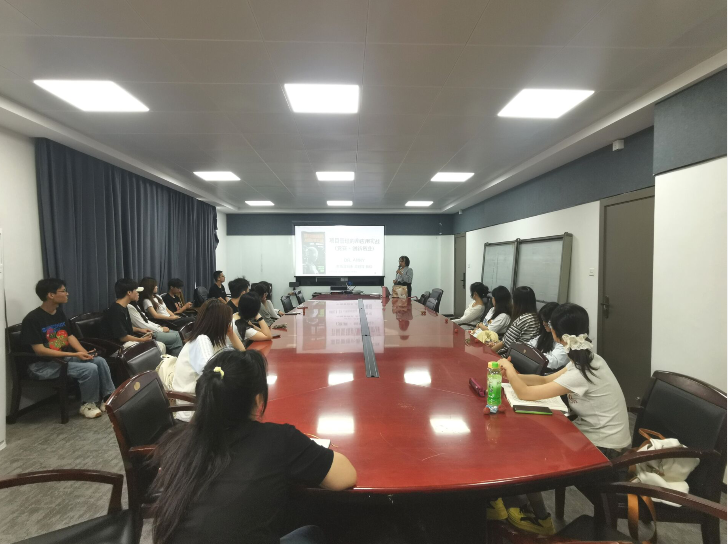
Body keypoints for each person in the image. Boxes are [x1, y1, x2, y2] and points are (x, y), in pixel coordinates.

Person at [152, 349, 357, 544]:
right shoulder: (278, 439)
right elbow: (345, 476)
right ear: (258, 400)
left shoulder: (177, 444)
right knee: (312, 532)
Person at [489, 303, 631, 535]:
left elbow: (526, 394)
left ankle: (540, 518)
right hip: (594, 436)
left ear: (555, 333)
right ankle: (506, 498)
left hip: (605, 450)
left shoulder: (582, 371)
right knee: (533, 437)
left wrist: (510, 370)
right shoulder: (588, 359)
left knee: (530, 450)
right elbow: (546, 380)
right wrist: (512, 378)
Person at [20, 278, 115, 419]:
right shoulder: (32, 319)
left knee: (99, 361)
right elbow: (39, 350)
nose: (67, 293)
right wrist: (75, 354)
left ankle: (108, 398)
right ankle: (87, 404)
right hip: (41, 366)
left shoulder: (59, 313)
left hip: (62, 359)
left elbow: (69, 336)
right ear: (51, 295)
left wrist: (83, 352)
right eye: (63, 291)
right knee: (89, 369)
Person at [172, 299, 245, 422]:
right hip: (194, 408)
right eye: (227, 322)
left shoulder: (214, 340)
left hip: (204, 398)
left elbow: (243, 355)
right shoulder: (202, 341)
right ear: (219, 322)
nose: (229, 325)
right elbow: (211, 376)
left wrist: (231, 334)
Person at [104, 278, 179, 356]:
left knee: (161, 345)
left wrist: (140, 330)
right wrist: (141, 340)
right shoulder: (116, 310)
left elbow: (124, 327)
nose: (138, 293)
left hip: (127, 341)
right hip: (117, 347)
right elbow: (123, 337)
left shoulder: (123, 307)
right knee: (159, 346)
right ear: (129, 292)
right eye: (136, 290)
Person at [487, 286, 540, 356]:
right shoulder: (535, 317)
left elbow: (504, 343)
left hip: (510, 356)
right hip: (522, 354)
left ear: (517, 302)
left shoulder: (522, 319)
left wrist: (488, 352)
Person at [529, 302, 569, 372]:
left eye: (546, 320)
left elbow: (554, 362)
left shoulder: (564, 339)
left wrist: (532, 354)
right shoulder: (546, 334)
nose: (544, 323)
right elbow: (530, 345)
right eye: (542, 319)